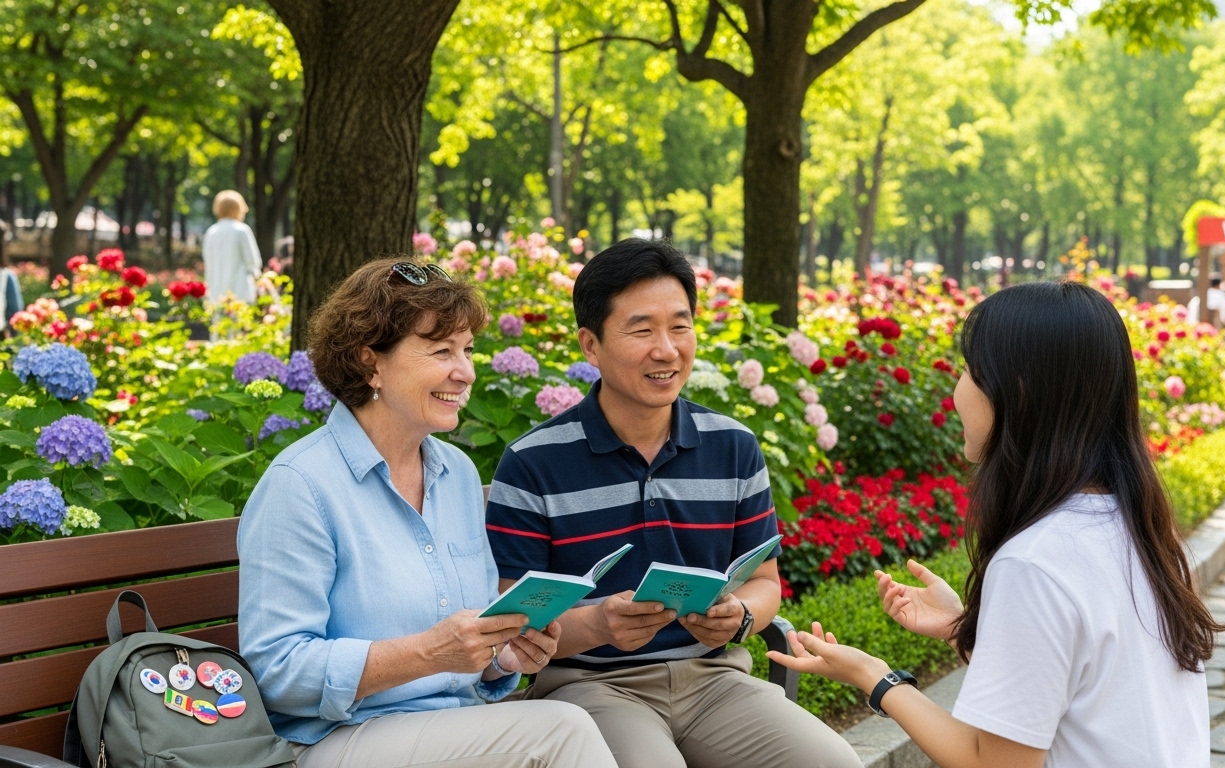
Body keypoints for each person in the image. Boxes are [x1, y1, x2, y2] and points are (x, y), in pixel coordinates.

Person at [767, 280, 1219, 768]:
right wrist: (967, 630)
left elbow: (992, 764)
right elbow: (1083, 691)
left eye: (968, 370)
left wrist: (875, 677)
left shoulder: (1033, 564)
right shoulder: (1145, 531)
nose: (957, 390)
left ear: (1018, 394)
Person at [485, 239, 862, 768]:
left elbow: (765, 583)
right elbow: (512, 624)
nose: (667, 349)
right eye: (641, 330)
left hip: (716, 681)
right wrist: (598, 626)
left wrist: (740, 617)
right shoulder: (532, 463)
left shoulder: (732, 446)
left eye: (680, 326)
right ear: (590, 346)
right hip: (591, 689)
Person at [238, 257, 616, 768]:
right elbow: (277, 671)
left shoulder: (455, 473)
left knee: (575, 719)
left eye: (467, 350)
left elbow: (470, 644)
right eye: (441, 351)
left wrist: (503, 656)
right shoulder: (300, 484)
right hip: (336, 740)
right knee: (562, 730)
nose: (465, 372)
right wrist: (426, 653)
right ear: (370, 361)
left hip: (452, 726)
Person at [202, 190, 262, 305]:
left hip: (216, 294)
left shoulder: (211, 232)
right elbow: (253, 261)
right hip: (240, 294)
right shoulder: (241, 230)